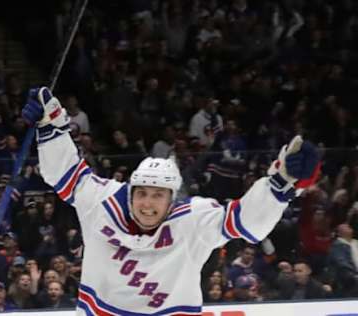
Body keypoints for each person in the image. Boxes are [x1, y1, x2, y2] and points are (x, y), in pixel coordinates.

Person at [21, 87, 320, 314]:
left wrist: (279, 185)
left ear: (171, 200)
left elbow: (248, 223)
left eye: (157, 196)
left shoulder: (192, 220)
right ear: (131, 191)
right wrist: (51, 124)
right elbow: (63, 171)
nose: (147, 203)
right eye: (142, 193)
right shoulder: (103, 202)